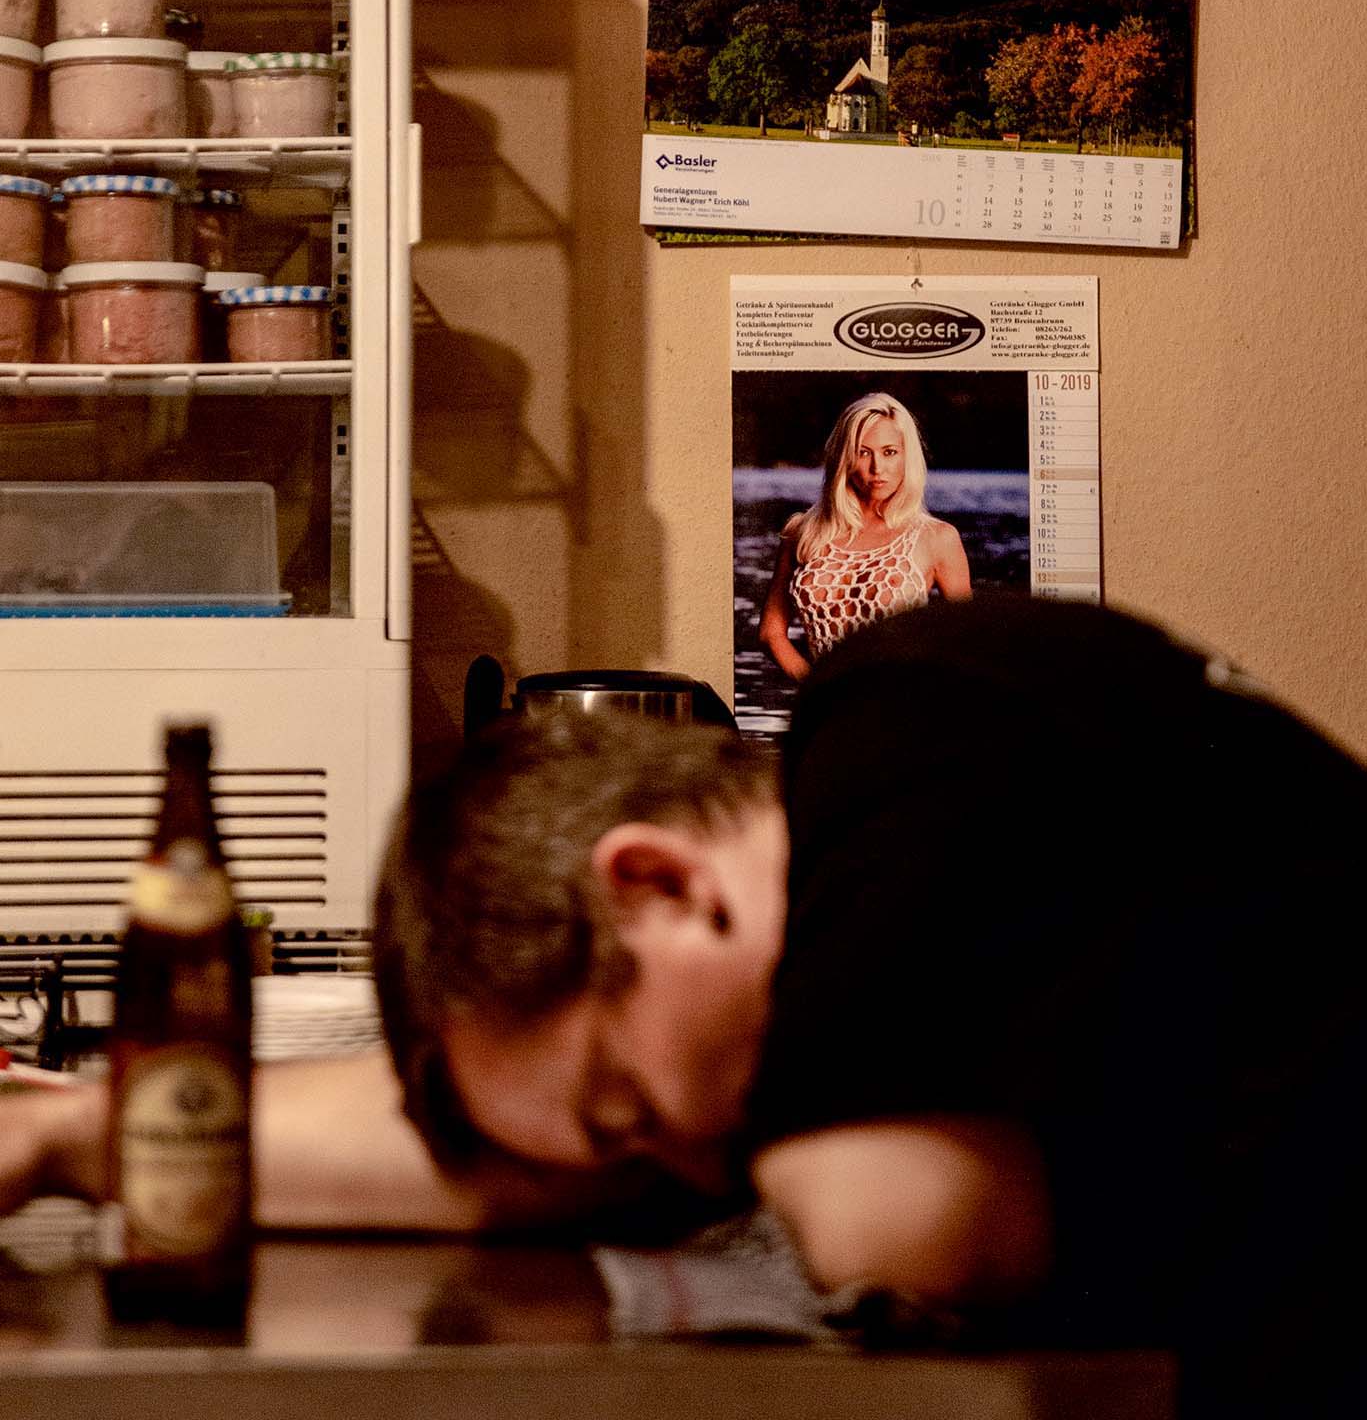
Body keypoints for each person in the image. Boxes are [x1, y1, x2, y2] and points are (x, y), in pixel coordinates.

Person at [7, 598, 1367, 1416]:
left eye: (629, 1111)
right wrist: (77, 1135)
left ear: (653, 882)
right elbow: (532, 1157)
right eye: (628, 1151)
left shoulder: (913, 717)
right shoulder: (843, 956)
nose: (685, 1164)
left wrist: (628, 1162)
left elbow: (903, 1231)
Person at [759, 390, 970, 684]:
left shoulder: (936, 538)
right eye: (862, 452)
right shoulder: (802, 532)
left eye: (889, 452)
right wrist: (819, 691)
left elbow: (965, 645)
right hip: (829, 714)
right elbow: (770, 634)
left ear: (907, 457)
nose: (876, 468)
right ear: (843, 457)